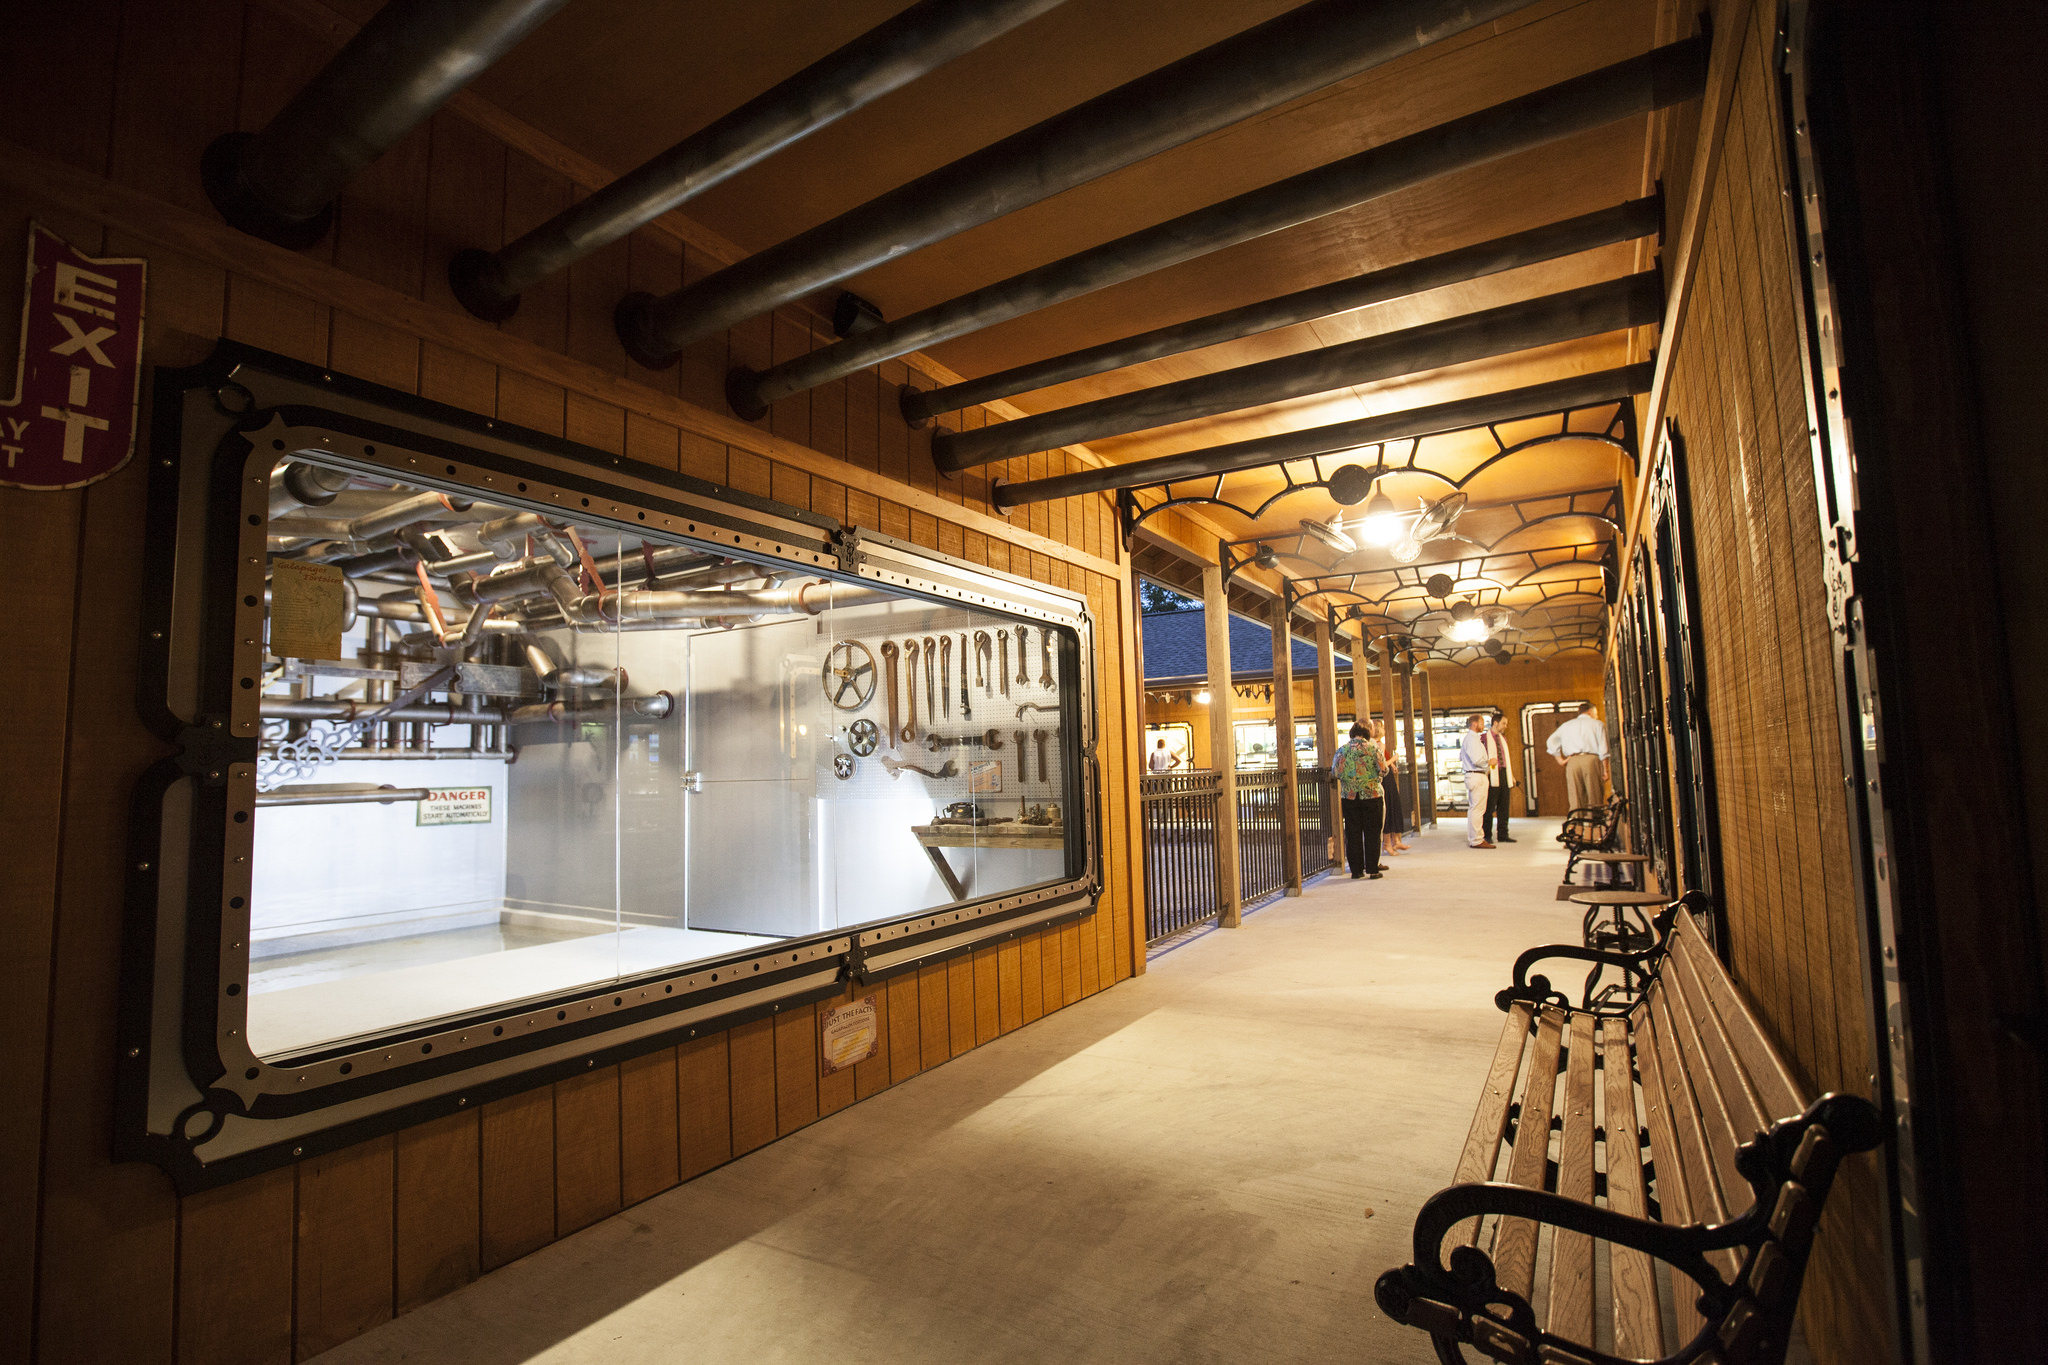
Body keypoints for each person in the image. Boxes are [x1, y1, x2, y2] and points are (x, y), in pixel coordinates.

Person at [1332, 721, 1386, 880]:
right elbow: (1384, 769)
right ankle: (1372, 869)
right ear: (1368, 735)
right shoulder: (1373, 749)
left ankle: (1356, 870)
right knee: (1373, 833)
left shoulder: (1342, 750)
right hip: (1372, 796)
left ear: (1351, 734)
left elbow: (1335, 772)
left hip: (1350, 797)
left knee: (1353, 833)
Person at [1545, 701, 1611, 815]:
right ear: (1590, 712)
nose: (1597, 715)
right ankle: (1593, 824)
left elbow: (1551, 741)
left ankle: (1577, 824)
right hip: (1592, 760)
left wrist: (1560, 760)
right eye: (1596, 713)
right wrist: (1606, 769)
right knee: (1594, 794)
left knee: (1575, 796)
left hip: (1573, 761)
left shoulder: (1566, 725)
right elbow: (1603, 749)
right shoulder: (1598, 724)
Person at [1459, 712, 1495, 849]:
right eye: (1481, 723)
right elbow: (1476, 760)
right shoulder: (1472, 739)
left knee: (1476, 808)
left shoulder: (1470, 739)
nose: (1483, 725)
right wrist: (1488, 762)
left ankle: (1475, 837)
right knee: (1478, 809)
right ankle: (1477, 839)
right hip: (1476, 775)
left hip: (1475, 775)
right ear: (1474, 724)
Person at [1483, 711, 1517, 843]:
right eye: (1504, 723)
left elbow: (1506, 759)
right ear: (1495, 723)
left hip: (1504, 773)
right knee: (1489, 807)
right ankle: (1487, 835)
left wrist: (1511, 776)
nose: (1505, 726)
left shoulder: (1504, 739)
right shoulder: (1484, 738)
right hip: (1491, 774)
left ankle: (1503, 834)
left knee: (1504, 806)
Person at [1381, 723, 1411, 856]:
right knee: (1388, 810)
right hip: (1384, 781)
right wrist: (1393, 759)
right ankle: (1387, 843)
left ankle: (1396, 839)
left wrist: (1392, 764)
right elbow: (1380, 765)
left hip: (1389, 779)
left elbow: (1384, 760)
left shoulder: (1381, 745)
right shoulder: (1377, 746)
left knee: (1394, 808)